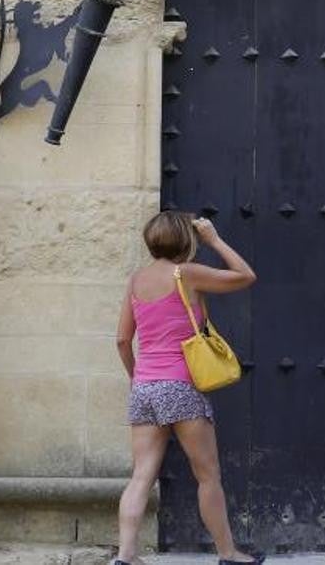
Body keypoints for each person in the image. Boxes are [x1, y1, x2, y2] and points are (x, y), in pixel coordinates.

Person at [112, 212, 263, 565]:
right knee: (208, 476)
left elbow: (122, 340)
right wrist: (214, 240)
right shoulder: (187, 273)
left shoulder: (135, 281)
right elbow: (246, 276)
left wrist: (137, 378)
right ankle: (228, 553)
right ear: (185, 240)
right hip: (181, 386)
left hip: (145, 388)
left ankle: (125, 556)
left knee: (141, 476)